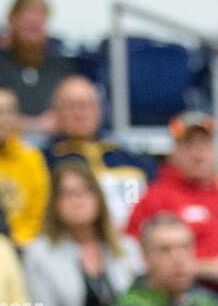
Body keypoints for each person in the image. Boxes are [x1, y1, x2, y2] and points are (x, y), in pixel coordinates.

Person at [126, 113, 218, 306]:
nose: (198, 153)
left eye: (205, 145)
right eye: (189, 146)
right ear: (173, 151)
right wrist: (206, 268)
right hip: (185, 298)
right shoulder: (153, 199)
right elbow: (136, 259)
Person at [24, 163, 141, 306]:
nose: (78, 200)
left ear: (99, 198)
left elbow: (145, 304)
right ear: (54, 204)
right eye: (68, 194)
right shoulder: (39, 253)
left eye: (86, 190)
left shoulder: (127, 248)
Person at [45, 77, 153, 229]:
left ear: (99, 110)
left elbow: (142, 200)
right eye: (71, 106)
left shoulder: (131, 158)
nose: (80, 113)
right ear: (55, 114)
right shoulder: (45, 161)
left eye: (86, 105)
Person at [0, 0, 79, 135]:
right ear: (11, 22)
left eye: (37, 27)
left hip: (55, 146)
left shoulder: (61, 66)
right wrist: (31, 125)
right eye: (28, 26)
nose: (32, 35)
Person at [0, 86, 50, 246]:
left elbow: (39, 213)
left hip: (26, 245)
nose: (3, 119)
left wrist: (20, 241)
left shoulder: (32, 158)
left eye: (8, 112)